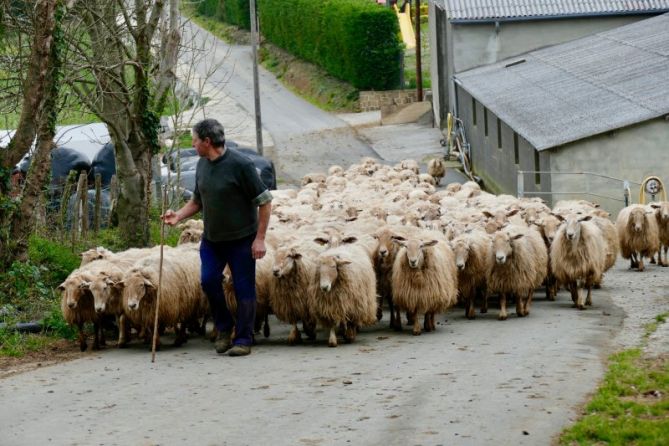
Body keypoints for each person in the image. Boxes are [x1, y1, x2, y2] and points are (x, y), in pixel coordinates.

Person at [162, 119, 273, 357]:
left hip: (242, 239)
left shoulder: (240, 165)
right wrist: (178, 216)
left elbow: (265, 201)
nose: (192, 144)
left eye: (194, 140)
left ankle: (243, 338)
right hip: (212, 240)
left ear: (207, 141)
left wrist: (260, 239)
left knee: (243, 289)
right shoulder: (202, 165)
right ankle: (224, 327)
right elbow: (197, 201)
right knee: (208, 281)